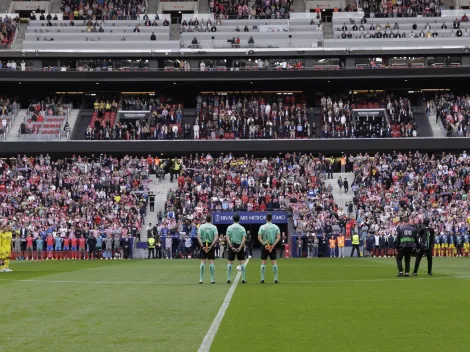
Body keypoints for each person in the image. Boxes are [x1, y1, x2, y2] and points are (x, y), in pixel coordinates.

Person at [258, 213, 281, 283]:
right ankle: (276, 279)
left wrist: (264, 244)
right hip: (272, 246)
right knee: (274, 262)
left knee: (263, 262)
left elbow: (259, 237)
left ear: (266, 218)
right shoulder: (276, 227)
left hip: (265, 246)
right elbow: (278, 238)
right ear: (271, 218)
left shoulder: (262, 227)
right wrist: (273, 245)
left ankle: (262, 279)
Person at [197, 214, 218, 284]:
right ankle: (212, 279)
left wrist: (202, 246)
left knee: (203, 261)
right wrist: (211, 246)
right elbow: (216, 237)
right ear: (211, 219)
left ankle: (201, 279)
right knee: (211, 261)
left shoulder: (202, 226)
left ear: (205, 219)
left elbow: (198, 237)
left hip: (203, 243)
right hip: (210, 244)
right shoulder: (214, 227)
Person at [226, 214, 247, 284]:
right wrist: (240, 247)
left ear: (233, 219)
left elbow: (227, 238)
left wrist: (231, 247)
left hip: (231, 244)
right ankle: (243, 279)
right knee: (242, 262)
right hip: (239, 245)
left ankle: (228, 279)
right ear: (239, 219)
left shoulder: (229, 227)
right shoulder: (242, 228)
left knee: (230, 262)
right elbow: (244, 239)